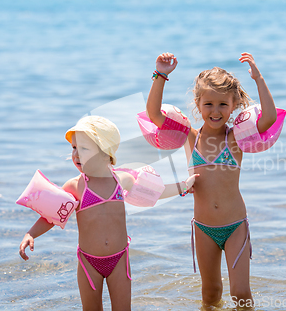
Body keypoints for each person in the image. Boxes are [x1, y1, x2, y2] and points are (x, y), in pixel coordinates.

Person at [19, 115, 198, 311]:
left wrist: (183, 186)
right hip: (89, 263)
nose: (76, 154)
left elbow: (156, 191)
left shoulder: (122, 180)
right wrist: (31, 234)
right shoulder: (76, 186)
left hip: (119, 259)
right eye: (74, 148)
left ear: (106, 154)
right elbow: (51, 216)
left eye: (84, 149)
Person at [146, 52, 278, 307]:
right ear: (198, 103)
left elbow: (269, 118)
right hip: (203, 228)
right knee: (210, 293)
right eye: (208, 104)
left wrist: (258, 78)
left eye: (222, 105)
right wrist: (161, 74)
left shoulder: (237, 139)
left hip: (235, 226)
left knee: (240, 293)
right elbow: (154, 115)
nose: (215, 111)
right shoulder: (190, 137)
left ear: (234, 104)